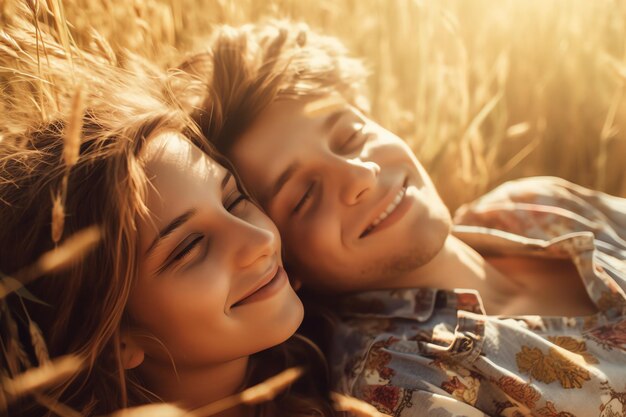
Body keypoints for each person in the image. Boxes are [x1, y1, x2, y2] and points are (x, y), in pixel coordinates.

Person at [180, 20, 626, 416]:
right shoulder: (396, 381)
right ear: (281, 260)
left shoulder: (534, 203)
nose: (360, 175)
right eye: (304, 196)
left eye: (350, 135)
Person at [0, 25, 338, 417]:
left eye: (234, 200)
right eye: (190, 246)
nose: (259, 240)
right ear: (116, 342)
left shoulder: (343, 363)